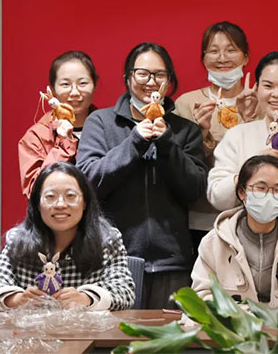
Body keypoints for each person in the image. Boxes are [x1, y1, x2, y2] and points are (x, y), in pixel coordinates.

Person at [77, 42, 208, 309]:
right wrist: (135, 141)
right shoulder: (101, 122)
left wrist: (167, 143)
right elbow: (88, 182)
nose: (151, 82)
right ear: (128, 78)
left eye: (160, 75)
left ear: (169, 82)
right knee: (114, 335)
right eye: (142, 74)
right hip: (112, 260)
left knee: (170, 335)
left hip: (173, 264)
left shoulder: (185, 131)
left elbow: (194, 189)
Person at [0, 162, 134, 311]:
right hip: (33, 330)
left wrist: (87, 298)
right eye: (50, 197)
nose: (60, 205)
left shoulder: (107, 240)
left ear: (85, 202)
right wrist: (15, 299)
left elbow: (125, 291)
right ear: (38, 204)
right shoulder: (17, 240)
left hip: (86, 330)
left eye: (70, 196)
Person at [192, 156, 278, 309]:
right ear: (242, 192)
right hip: (236, 323)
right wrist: (242, 314)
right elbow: (201, 297)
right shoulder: (215, 242)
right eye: (261, 188)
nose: (270, 196)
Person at [175, 21, 258, 241]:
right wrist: (200, 135)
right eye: (213, 51)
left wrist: (249, 121)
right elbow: (177, 165)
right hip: (199, 217)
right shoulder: (186, 103)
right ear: (203, 59)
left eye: (231, 50)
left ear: (245, 57)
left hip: (254, 215)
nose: (222, 58)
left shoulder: (259, 103)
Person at [207, 51, 278, 211]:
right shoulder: (238, 135)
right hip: (248, 225)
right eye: (268, 86)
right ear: (257, 88)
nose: (276, 94)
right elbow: (218, 198)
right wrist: (251, 170)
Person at [19, 51, 98, 198]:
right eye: (65, 84)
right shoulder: (36, 136)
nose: (74, 92)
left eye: (82, 83)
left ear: (94, 85)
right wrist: (63, 145)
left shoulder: (108, 126)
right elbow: (35, 193)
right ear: (53, 89)